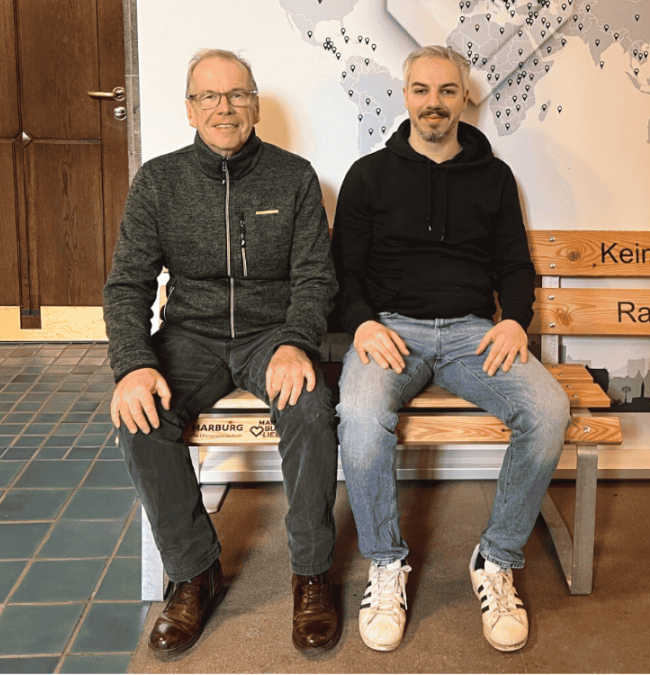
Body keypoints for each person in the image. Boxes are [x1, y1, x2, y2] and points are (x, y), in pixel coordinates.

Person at [333, 45, 571, 653]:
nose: (433, 103)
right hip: (391, 330)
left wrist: (514, 321)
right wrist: (362, 324)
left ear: (465, 98)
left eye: (446, 91)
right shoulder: (368, 175)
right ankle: (385, 564)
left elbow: (515, 265)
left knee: (548, 410)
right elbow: (345, 272)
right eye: (421, 90)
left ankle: (496, 559)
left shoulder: (494, 177)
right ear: (405, 96)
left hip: (472, 333)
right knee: (359, 413)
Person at [103, 49, 340, 656]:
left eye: (236, 95)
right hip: (191, 335)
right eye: (208, 96)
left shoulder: (294, 176)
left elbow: (315, 277)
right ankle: (194, 572)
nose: (223, 108)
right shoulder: (158, 182)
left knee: (311, 408)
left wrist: (296, 342)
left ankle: (312, 574)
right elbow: (127, 285)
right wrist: (134, 365)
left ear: (254, 105)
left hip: (272, 335)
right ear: (189, 109)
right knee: (140, 416)